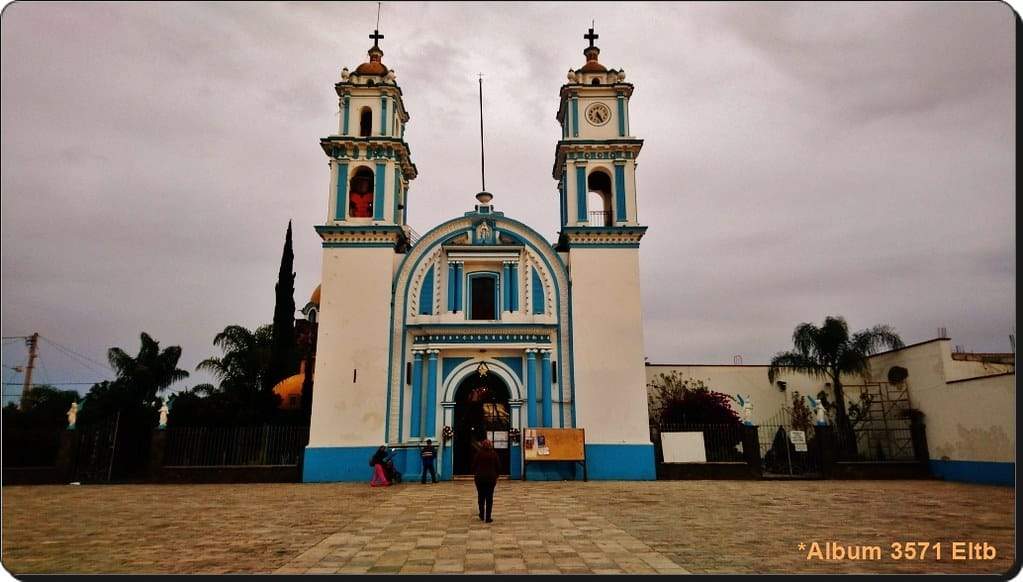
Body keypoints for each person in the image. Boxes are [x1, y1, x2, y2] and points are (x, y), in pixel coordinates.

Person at [471, 439, 500, 523]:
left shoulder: (478, 454)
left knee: (481, 496)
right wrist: (496, 476)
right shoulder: (493, 454)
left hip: (479, 478)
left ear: (482, 445)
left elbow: (473, 466)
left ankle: (481, 514)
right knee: (489, 498)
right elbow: (498, 466)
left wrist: (476, 473)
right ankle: (488, 517)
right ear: (490, 445)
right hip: (491, 479)